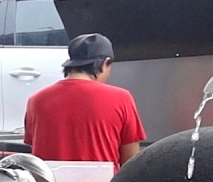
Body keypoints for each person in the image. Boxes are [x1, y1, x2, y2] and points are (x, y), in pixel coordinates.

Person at [23, 33, 146, 172]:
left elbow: (36, 152)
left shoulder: (36, 100)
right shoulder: (121, 98)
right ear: (105, 63)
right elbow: (131, 162)